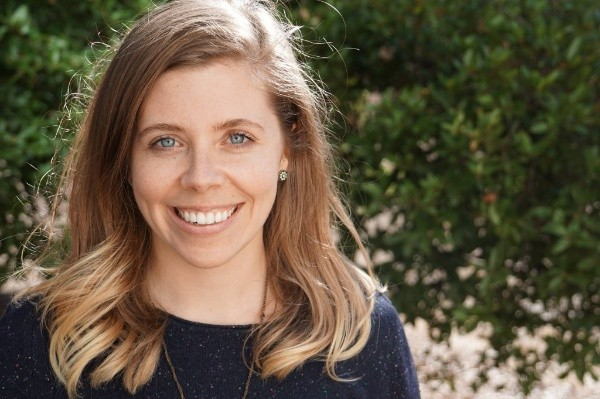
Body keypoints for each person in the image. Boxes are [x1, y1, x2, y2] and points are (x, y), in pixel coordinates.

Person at [0, 1, 420, 398]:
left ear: (287, 148)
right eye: (165, 141)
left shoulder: (362, 339)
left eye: (237, 138)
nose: (201, 178)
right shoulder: (39, 339)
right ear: (123, 159)